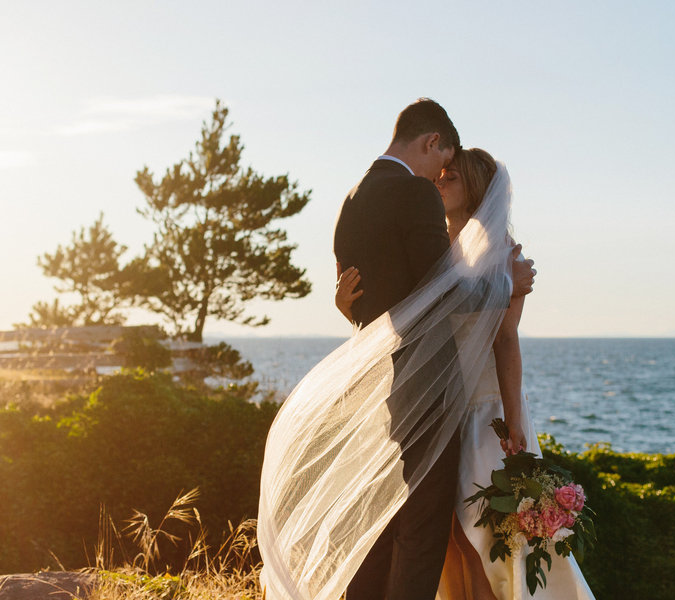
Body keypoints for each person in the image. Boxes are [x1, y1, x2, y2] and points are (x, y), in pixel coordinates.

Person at [255, 99, 535, 600]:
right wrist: (504, 283)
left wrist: (347, 313)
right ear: (432, 143)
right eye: (441, 163)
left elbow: (379, 300)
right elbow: (438, 292)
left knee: (386, 516)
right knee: (422, 528)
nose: (438, 177)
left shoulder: (352, 199)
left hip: (386, 384)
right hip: (428, 385)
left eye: (449, 175)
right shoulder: (413, 194)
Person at [336, 148, 595, 600]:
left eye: (450, 176)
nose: (437, 181)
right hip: (438, 406)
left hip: (485, 411)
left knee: (485, 538)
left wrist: (513, 417)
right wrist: (348, 311)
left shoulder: (500, 255)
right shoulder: (436, 250)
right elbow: (404, 322)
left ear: (475, 190)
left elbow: (506, 339)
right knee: (451, 540)